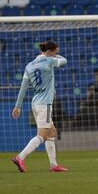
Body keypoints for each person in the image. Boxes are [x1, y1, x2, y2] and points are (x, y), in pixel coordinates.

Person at [12, 40, 68, 172]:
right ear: (49, 52)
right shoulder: (49, 61)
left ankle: (54, 165)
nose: (56, 55)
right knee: (42, 135)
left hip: (35, 104)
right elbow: (64, 60)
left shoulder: (29, 66)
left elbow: (23, 87)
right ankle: (20, 157)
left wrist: (17, 106)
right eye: (55, 52)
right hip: (45, 104)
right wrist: (53, 57)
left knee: (51, 132)